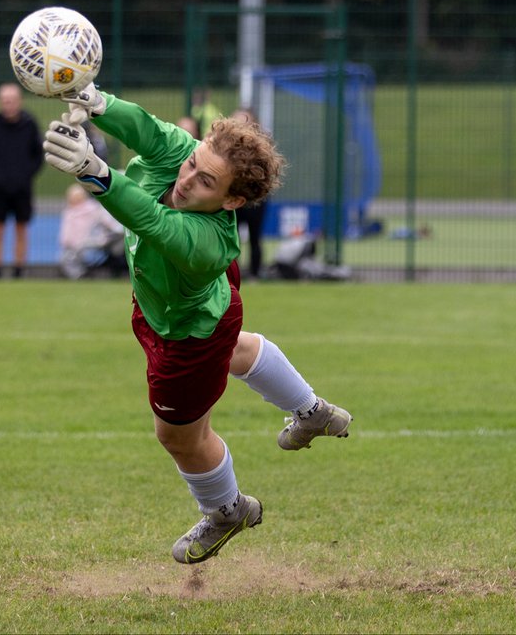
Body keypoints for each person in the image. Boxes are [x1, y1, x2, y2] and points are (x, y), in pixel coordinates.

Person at [41, 83, 352, 564]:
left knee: (180, 437)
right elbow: (147, 130)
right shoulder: (190, 158)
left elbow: (153, 221)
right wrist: (96, 101)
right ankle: (312, 411)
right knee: (236, 347)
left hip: (185, 338)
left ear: (230, 202)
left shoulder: (208, 243)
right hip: (205, 308)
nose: (188, 178)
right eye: (193, 165)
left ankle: (227, 510)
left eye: (207, 182)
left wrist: (94, 171)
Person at [0, 83, 44, 278]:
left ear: (19, 101)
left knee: (21, 228)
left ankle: (18, 270)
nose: (9, 105)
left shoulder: (30, 124)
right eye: (5, 101)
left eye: (12, 101)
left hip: (22, 187)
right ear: (0, 102)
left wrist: (26, 174)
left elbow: (38, 155)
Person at [58, 183, 125, 279]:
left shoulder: (94, 209)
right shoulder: (69, 212)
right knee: (66, 257)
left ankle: (80, 275)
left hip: (92, 242)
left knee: (69, 257)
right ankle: (80, 275)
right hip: (77, 245)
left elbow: (109, 224)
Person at [229, 108, 267, 279]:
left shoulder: (262, 151)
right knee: (231, 237)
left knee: (255, 236)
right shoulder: (225, 150)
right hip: (232, 197)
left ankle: (255, 273)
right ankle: (231, 274)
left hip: (253, 200)